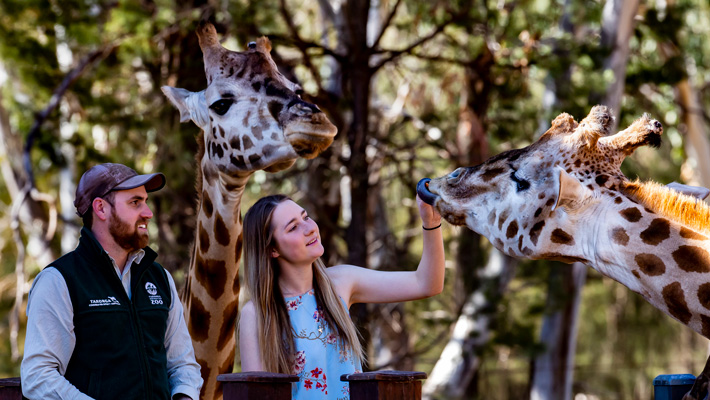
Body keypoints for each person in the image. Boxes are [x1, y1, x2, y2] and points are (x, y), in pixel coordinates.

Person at [21, 163, 203, 400]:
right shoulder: (59, 281)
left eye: (146, 201)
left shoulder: (159, 278)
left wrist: (184, 396)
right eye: (135, 202)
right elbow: (38, 377)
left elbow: (182, 365)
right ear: (101, 208)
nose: (148, 212)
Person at [239, 194, 445, 399]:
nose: (310, 228)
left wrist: (431, 222)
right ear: (272, 249)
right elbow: (256, 396)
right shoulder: (256, 314)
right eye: (293, 227)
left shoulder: (340, 283)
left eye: (306, 217)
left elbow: (427, 284)